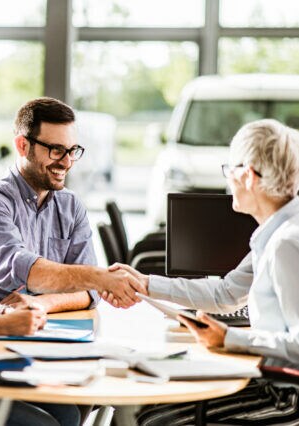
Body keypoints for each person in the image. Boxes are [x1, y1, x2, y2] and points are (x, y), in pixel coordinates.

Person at [107, 119, 299, 425]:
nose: (228, 181)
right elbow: (226, 293)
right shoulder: (277, 232)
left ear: (248, 176)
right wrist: (145, 283)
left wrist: (230, 338)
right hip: (268, 379)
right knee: (153, 410)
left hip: (283, 397)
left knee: (159, 420)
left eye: (230, 170)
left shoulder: (286, 243)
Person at [0, 97, 146, 311]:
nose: (67, 162)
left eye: (72, 150)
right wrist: (100, 277)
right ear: (22, 145)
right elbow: (19, 267)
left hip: (55, 326)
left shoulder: (71, 206)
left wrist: (41, 303)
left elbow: (90, 292)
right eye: (56, 150)